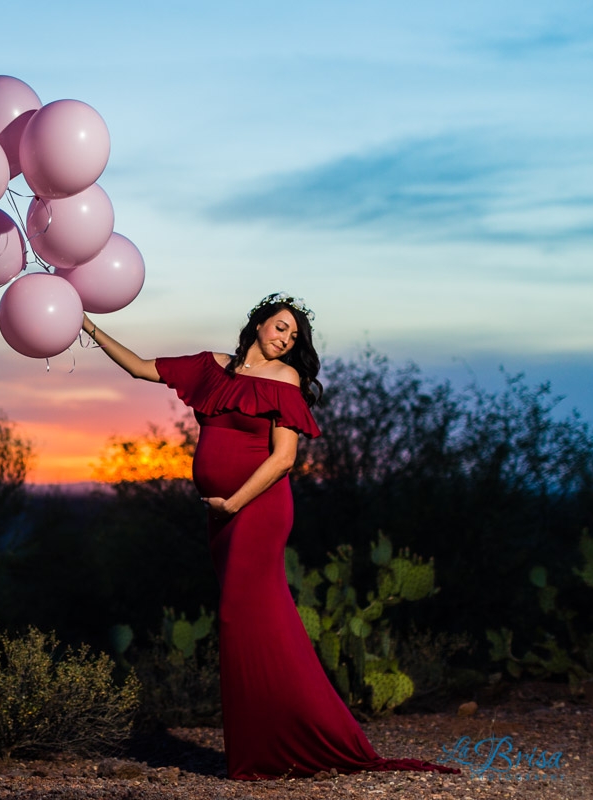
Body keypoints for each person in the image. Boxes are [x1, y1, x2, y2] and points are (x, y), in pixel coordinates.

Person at [82, 292, 458, 780]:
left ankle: (264, 752)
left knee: (239, 617)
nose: (285, 339)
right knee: (266, 625)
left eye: (294, 335)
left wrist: (234, 502)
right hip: (220, 515)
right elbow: (138, 367)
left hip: (257, 508)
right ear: (258, 323)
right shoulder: (212, 367)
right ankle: (286, 739)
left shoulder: (286, 379)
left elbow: (283, 458)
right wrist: (87, 328)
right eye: (280, 327)